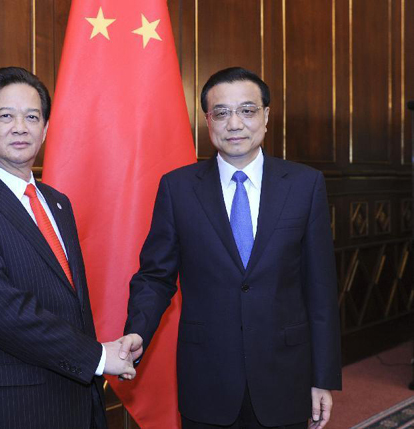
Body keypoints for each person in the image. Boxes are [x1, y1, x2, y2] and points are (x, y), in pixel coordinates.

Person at [120, 67, 342, 428]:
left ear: (266, 116)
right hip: (207, 375)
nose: (234, 123)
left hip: (285, 374)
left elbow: (320, 290)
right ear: (208, 121)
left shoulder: (305, 185)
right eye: (221, 112)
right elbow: (156, 276)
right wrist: (137, 330)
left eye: (247, 110)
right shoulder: (178, 189)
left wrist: (323, 377)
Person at [0, 66, 135, 428]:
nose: (20, 127)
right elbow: (2, 311)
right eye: (5, 116)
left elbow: (70, 306)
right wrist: (97, 357)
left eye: (32, 117)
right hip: (10, 410)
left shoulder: (57, 203)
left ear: (44, 129)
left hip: (77, 402)